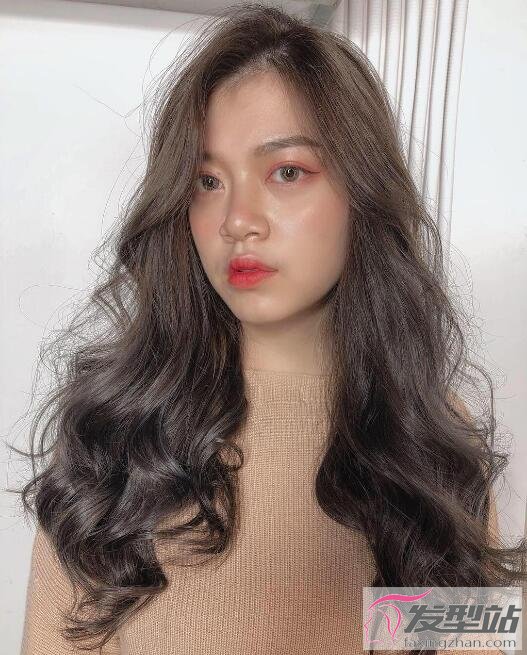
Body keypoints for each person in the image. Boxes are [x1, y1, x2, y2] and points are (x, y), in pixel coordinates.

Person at [12, 3, 525, 655]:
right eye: (207, 180)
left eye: (286, 172)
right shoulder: (122, 430)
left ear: (362, 192)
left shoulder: (420, 435)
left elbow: (458, 638)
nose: (237, 219)